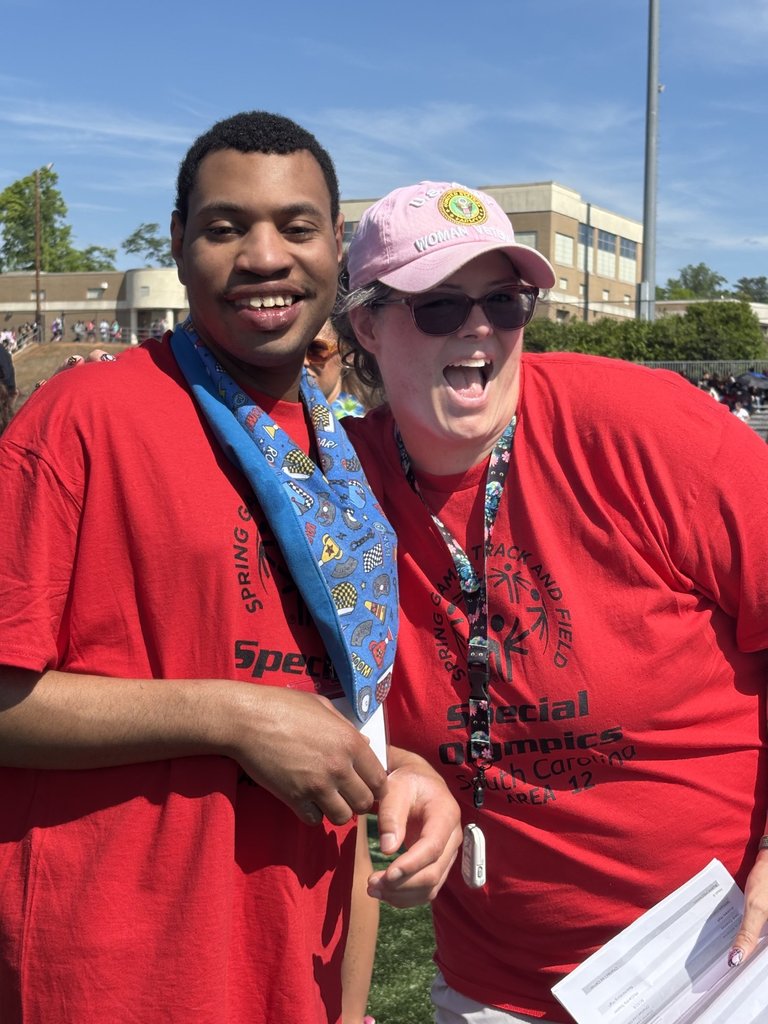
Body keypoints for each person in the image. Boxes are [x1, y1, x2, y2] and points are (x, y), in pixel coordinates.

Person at [0, 117, 461, 1024]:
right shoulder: (84, 416)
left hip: (296, 965)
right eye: (224, 227)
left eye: (297, 226)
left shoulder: (347, 460)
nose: (264, 256)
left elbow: (329, 714)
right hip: (116, 975)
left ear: (337, 246)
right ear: (178, 244)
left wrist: (405, 772)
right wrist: (232, 717)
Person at [335, 180, 768, 1023]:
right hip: (498, 987)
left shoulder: (645, 428)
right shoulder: (337, 492)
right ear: (367, 325)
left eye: (504, 301)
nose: (479, 328)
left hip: (729, 962)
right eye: (439, 304)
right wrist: (402, 768)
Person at [305, 318, 383, 419]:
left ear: (347, 354)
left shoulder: (363, 426)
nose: (303, 362)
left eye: (316, 350)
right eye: (295, 351)